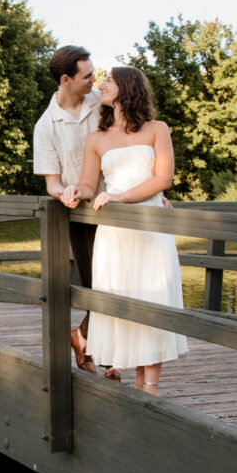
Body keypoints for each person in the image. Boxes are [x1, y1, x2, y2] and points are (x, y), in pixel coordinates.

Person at [60, 66, 188, 395]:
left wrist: (121, 197)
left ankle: (152, 387)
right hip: (115, 234)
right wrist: (74, 191)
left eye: (109, 81)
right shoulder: (97, 139)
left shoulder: (157, 129)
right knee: (124, 300)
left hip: (151, 228)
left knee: (154, 297)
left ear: (127, 87)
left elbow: (163, 179)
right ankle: (138, 381)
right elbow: (90, 185)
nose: (100, 85)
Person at [32, 45, 116, 379]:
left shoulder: (99, 100)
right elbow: (51, 183)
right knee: (96, 285)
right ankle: (88, 342)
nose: (93, 81)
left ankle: (96, 346)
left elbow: (131, 130)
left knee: (120, 281)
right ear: (66, 79)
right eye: (87, 76)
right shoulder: (46, 126)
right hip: (81, 214)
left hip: (116, 206)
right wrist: (63, 191)